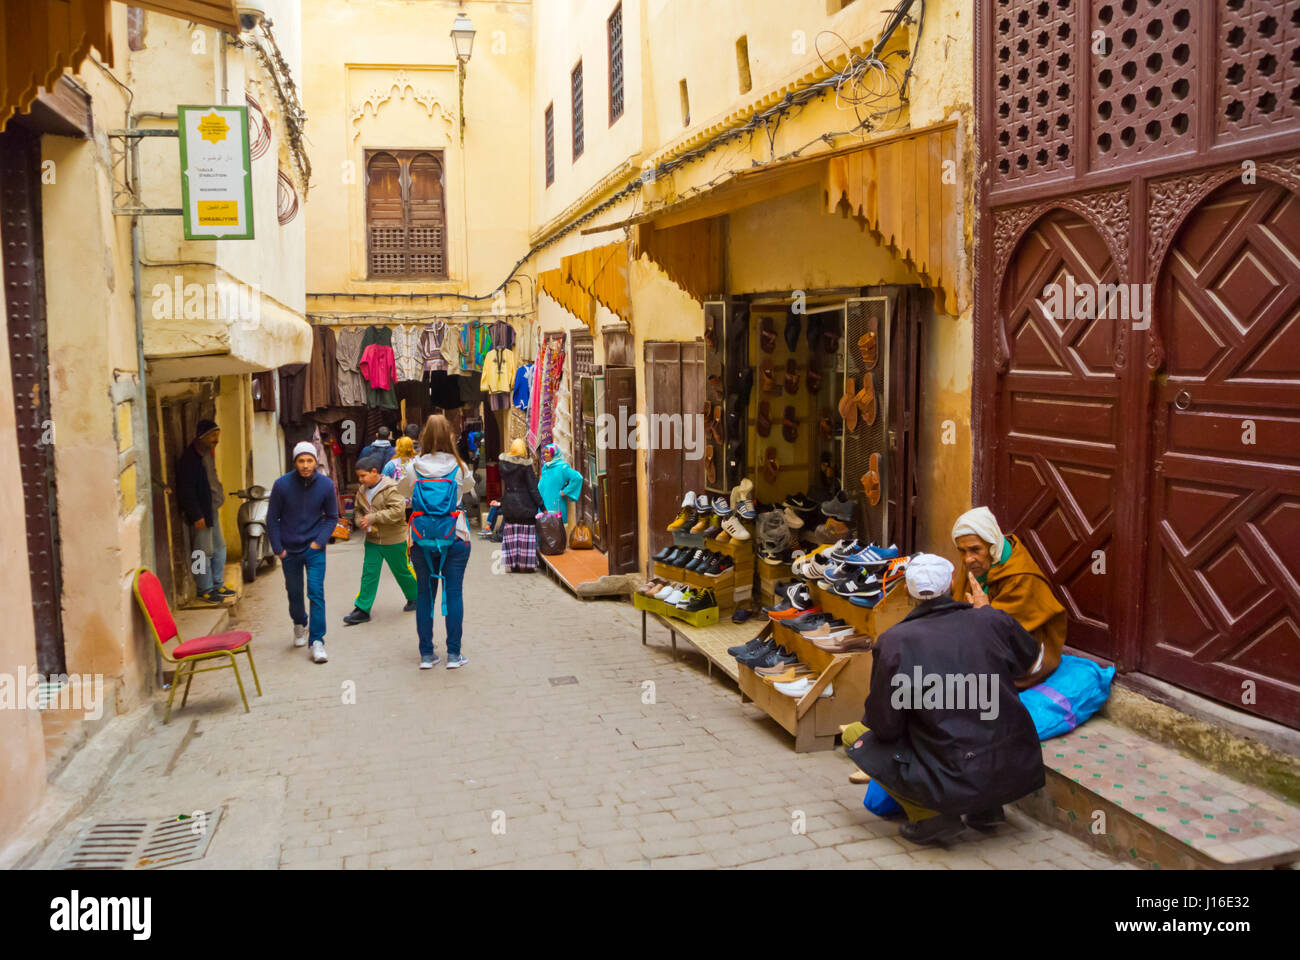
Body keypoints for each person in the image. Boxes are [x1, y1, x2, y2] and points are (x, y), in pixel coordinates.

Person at [845, 553, 1046, 846]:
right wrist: (989, 616)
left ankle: (931, 818)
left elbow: (885, 726)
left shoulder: (895, 641)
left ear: (910, 593)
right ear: (952, 582)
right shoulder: (990, 619)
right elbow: (1034, 664)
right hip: (1010, 762)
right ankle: (986, 809)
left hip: (950, 769)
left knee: (856, 734)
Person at [951, 506, 1067, 688]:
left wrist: (984, 614)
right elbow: (958, 602)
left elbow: (1005, 631)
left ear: (993, 545)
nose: (967, 559)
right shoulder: (977, 562)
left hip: (1027, 649)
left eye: (975, 550)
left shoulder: (1021, 578)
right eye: (962, 551)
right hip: (979, 630)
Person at [408, 415, 475, 669]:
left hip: (422, 539)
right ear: (450, 437)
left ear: (423, 438)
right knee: (454, 593)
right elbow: (468, 489)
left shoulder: (413, 466)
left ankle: (427, 655)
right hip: (455, 536)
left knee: (424, 595)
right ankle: (454, 655)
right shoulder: (460, 467)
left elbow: (405, 492)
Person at [268, 441, 339, 664]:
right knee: (294, 592)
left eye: (310, 460)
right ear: (295, 462)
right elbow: (272, 519)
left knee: (316, 593)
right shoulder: (282, 485)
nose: (306, 465)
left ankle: (317, 641)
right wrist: (279, 549)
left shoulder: (326, 485)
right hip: (289, 550)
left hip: (314, 549)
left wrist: (319, 542)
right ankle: (299, 623)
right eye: (301, 461)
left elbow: (332, 517)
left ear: (316, 461)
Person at [342, 456, 418, 626]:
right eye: (359, 476)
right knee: (369, 574)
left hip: (394, 539)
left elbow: (398, 512)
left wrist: (373, 517)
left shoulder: (392, 488)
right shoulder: (362, 490)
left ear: (374, 472)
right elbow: (357, 510)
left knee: (402, 571)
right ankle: (362, 609)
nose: (360, 480)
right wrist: (360, 520)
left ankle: (416, 597)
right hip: (372, 540)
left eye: (363, 476)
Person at [176, 418, 236, 605]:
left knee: (219, 547)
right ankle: (204, 589)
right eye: (212, 436)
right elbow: (186, 489)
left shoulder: (207, 454)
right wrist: (196, 514)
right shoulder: (190, 459)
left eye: (217, 436)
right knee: (201, 552)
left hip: (212, 509)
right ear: (202, 437)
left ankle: (217, 584)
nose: (216, 440)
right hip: (201, 512)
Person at [497, 438, 546, 573]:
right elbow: (532, 489)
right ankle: (526, 564)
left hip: (509, 506)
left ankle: (513, 564)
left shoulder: (503, 465)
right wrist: (542, 506)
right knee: (525, 535)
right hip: (525, 507)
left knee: (512, 535)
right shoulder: (525, 467)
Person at [537, 442, 584, 537]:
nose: (545, 455)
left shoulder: (563, 467)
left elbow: (577, 478)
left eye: (547, 453)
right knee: (542, 526)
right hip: (543, 501)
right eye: (544, 452)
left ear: (554, 454)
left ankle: (556, 548)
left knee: (555, 527)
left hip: (555, 502)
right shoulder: (545, 467)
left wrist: (565, 491)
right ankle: (544, 548)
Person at [383, 435, 418, 517]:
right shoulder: (418, 463)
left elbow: (383, 484)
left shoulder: (391, 465)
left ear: (398, 448)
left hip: (396, 504)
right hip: (415, 503)